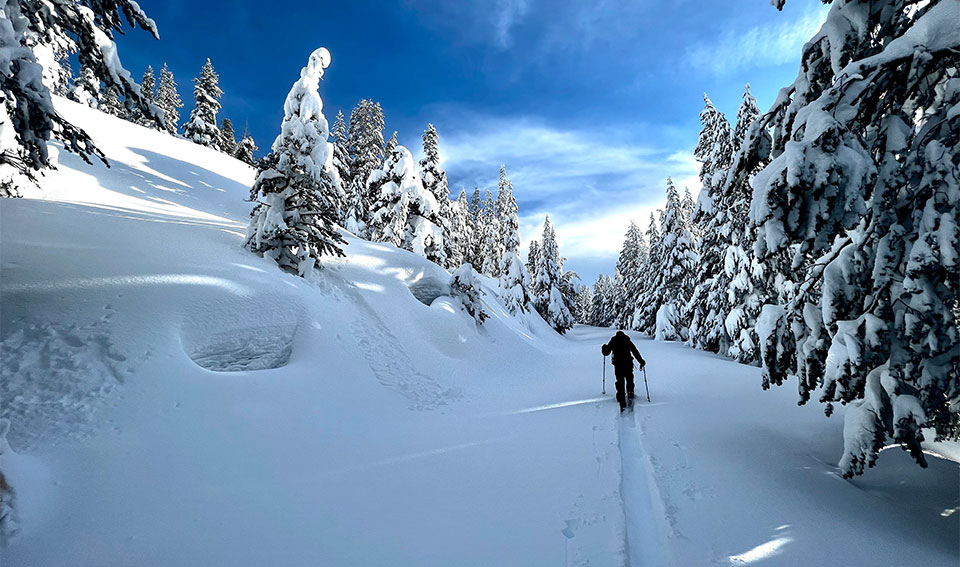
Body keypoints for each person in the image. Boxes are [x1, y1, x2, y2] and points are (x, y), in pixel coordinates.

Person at [602, 330, 646, 411]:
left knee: (620, 380)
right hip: (628, 363)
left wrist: (604, 348)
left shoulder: (613, 340)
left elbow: (606, 352)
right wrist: (641, 361)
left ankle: (621, 397)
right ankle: (630, 393)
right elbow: (635, 351)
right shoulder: (627, 340)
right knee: (629, 378)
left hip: (618, 365)